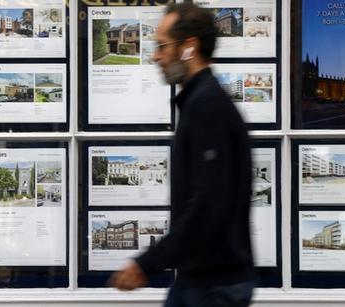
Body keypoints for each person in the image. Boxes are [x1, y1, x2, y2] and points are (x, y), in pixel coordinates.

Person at [108, 3, 254, 306]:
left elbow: (207, 203)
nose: (155, 56)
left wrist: (146, 263)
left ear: (189, 47)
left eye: (162, 46)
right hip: (206, 282)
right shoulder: (200, 102)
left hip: (211, 289)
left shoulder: (206, 107)